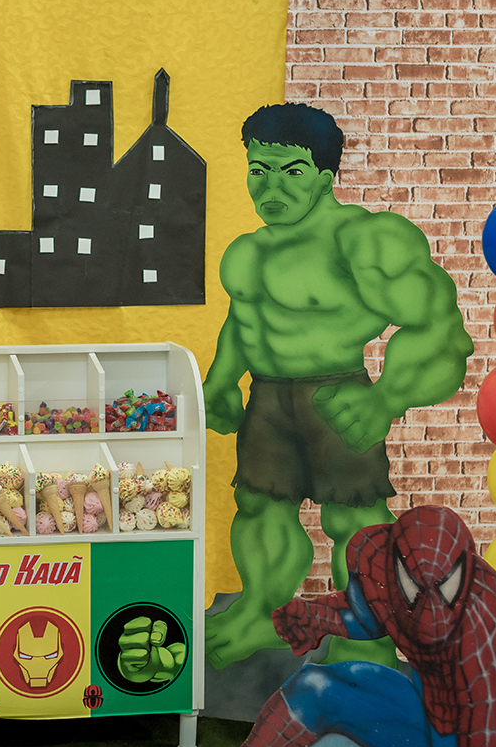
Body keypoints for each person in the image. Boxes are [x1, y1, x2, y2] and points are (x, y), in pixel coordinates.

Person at [201, 103, 473, 667]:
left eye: (291, 172)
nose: (271, 187)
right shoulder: (247, 252)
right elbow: (243, 320)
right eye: (259, 170)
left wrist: (386, 398)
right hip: (268, 398)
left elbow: (441, 328)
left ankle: (370, 637)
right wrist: (221, 381)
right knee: (259, 508)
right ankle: (263, 614)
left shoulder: (364, 241)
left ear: (325, 178)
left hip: (335, 396)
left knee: (353, 519)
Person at [189, 506, 496, 747]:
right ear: (396, 568)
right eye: (416, 589)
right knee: (314, 685)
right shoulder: (379, 564)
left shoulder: (490, 620)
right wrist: (316, 617)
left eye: (444, 589)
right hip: (423, 714)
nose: (430, 612)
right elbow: (369, 614)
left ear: (465, 572)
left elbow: (491, 733)